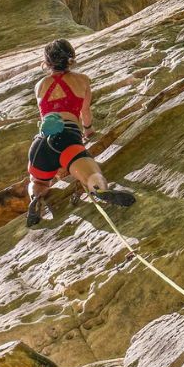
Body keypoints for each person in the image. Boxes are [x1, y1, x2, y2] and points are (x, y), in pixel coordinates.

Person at [26, 38, 133, 226]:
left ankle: (35, 198)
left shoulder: (39, 85)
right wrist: (88, 129)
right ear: (71, 58)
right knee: (91, 175)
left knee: (39, 182)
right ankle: (99, 189)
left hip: (41, 142)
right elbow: (85, 112)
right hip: (67, 139)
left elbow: (44, 112)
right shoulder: (81, 80)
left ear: (47, 62)